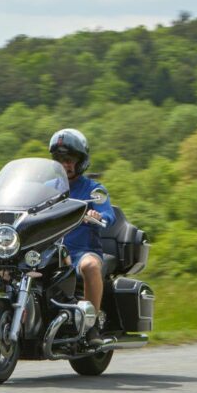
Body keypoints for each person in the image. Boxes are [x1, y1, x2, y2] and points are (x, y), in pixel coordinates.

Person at [48, 128, 116, 346]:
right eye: (60, 159)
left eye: (70, 159)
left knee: (91, 267)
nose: (65, 164)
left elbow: (108, 216)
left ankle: (91, 327)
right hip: (49, 252)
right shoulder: (47, 189)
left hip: (81, 252)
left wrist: (97, 214)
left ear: (80, 161)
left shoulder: (93, 189)